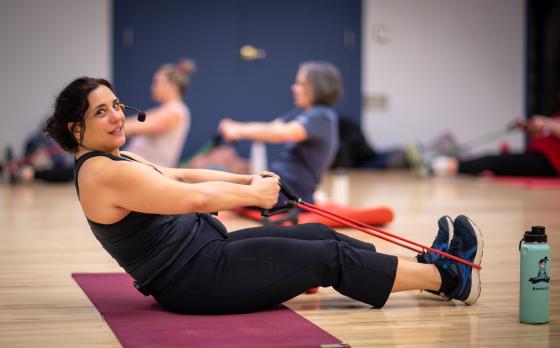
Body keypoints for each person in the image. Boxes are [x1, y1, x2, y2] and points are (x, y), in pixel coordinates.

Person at [43, 76, 483, 314]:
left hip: (210, 253)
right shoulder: (99, 172)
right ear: (75, 128)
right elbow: (190, 198)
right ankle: (451, 280)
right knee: (325, 258)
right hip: (196, 280)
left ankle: (424, 269)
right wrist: (253, 194)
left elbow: (183, 173)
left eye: (117, 105)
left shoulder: (117, 159)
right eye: (102, 111)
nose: (117, 116)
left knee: (319, 238)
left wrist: (249, 179)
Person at [218, 61, 341, 204]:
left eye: (301, 84)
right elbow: (272, 127)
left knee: (220, 187)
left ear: (316, 89)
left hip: (291, 193)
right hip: (280, 185)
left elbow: (280, 133)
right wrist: (236, 126)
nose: (294, 88)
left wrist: (238, 131)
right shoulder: (302, 112)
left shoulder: (322, 115)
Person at [417, 115, 560, 177]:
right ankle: (434, 160)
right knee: (491, 160)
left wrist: (547, 123)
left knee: (492, 161)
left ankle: (436, 164)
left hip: (550, 162)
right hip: (538, 154)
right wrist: (527, 127)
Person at [123, 59, 195, 167]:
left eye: (157, 83)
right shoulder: (165, 110)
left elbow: (129, 127)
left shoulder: (175, 112)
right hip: (139, 170)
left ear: (172, 87)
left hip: (148, 174)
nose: (153, 88)